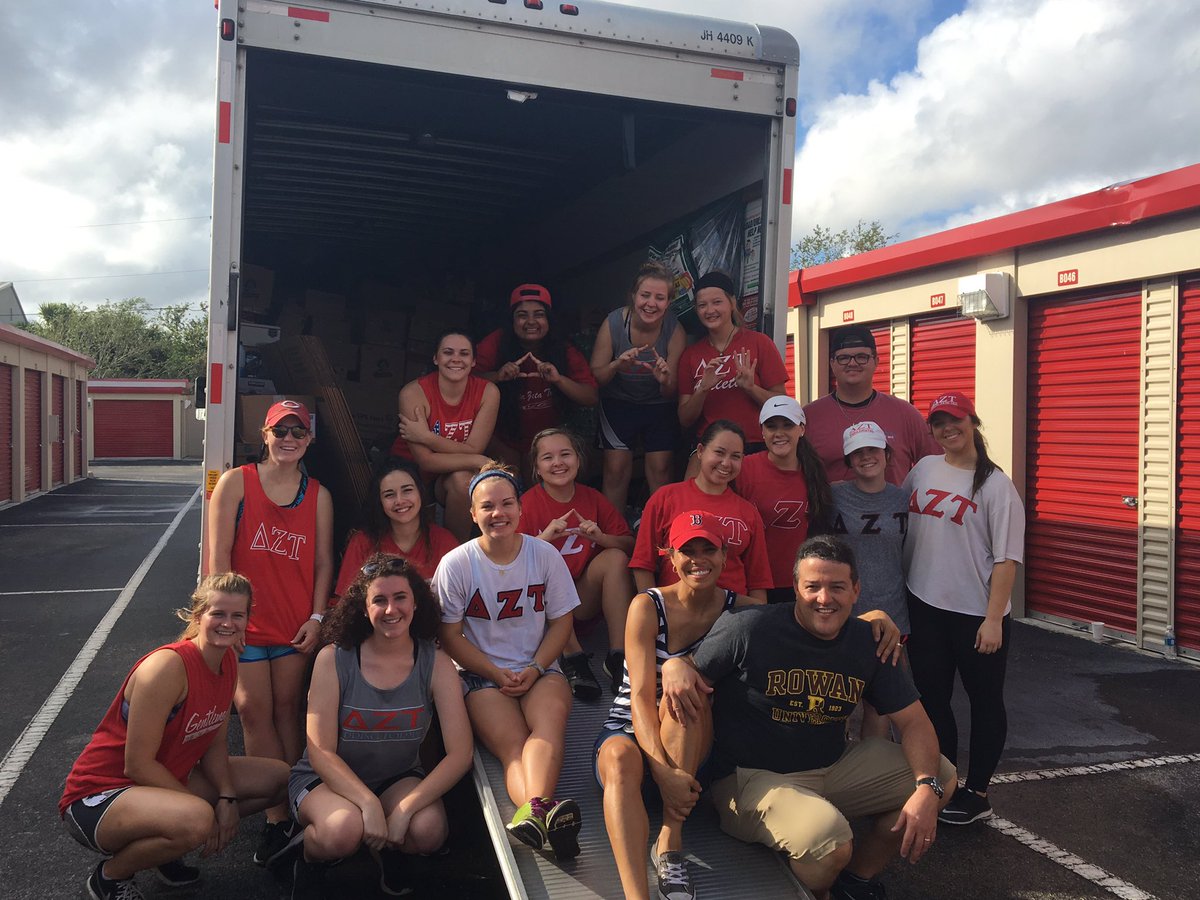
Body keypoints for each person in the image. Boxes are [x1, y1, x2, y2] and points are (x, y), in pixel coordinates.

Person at [660, 535, 955, 900]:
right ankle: (815, 879)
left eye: (837, 587)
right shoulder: (749, 627)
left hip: (832, 767)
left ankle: (857, 879)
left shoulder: (870, 640)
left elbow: (914, 723)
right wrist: (676, 666)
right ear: (796, 588)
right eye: (812, 587)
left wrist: (926, 788)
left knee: (941, 776)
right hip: (750, 778)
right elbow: (690, 679)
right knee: (828, 842)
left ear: (856, 590)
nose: (824, 598)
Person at [60, 574, 290, 900]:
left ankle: (164, 847)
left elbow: (214, 743)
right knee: (197, 820)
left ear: (247, 619)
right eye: (218, 614)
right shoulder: (167, 668)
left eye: (237, 615)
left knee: (279, 778)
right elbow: (137, 764)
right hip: (100, 795)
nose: (228, 623)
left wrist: (226, 798)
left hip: (159, 782)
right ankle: (111, 876)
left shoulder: (228, 660)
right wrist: (206, 813)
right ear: (198, 616)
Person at [596, 511, 763, 900]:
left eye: (709, 549)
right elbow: (637, 696)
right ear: (670, 557)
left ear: (725, 556)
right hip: (633, 731)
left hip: (693, 738)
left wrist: (870, 618)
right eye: (687, 550)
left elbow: (804, 618)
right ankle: (637, 895)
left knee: (686, 694)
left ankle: (670, 841)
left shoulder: (741, 611)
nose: (698, 559)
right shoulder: (646, 605)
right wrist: (662, 772)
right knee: (620, 758)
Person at [287, 555, 474, 898]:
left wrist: (403, 808)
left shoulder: (436, 663)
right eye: (379, 600)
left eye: (400, 597)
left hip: (396, 778)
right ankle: (309, 859)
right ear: (363, 607)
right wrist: (368, 805)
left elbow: (460, 753)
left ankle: (385, 850)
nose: (391, 609)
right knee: (342, 830)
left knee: (428, 831)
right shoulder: (334, 658)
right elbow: (320, 750)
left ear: (416, 602)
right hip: (327, 779)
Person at [431, 462, 584, 859]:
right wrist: (493, 671)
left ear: (520, 508)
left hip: (540, 667)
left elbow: (561, 621)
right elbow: (449, 635)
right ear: (472, 513)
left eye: (506, 504)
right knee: (512, 747)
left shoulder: (544, 555)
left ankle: (533, 815)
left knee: (548, 727)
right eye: (487, 506)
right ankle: (545, 813)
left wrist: (534, 668)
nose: (498, 513)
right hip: (482, 675)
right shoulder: (457, 563)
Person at [208, 398, 334, 865]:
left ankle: (299, 801)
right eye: (280, 431)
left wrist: (318, 618)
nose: (288, 439)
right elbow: (219, 558)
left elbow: (323, 562)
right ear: (264, 435)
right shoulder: (236, 483)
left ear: (309, 440)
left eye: (298, 432)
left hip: (294, 626)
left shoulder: (318, 494)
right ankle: (277, 818)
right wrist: (224, 621)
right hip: (246, 626)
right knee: (252, 712)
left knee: (289, 712)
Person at [903, 391, 1024, 826]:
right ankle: (947, 779)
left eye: (954, 420)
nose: (946, 429)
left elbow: (1007, 559)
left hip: (976, 615)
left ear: (972, 422)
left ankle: (978, 792)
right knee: (932, 699)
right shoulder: (923, 469)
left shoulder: (995, 485)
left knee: (984, 701)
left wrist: (994, 620)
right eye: (937, 423)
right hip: (924, 604)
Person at [520, 428, 635, 700]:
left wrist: (601, 537)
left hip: (582, 601)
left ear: (579, 460)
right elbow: (508, 564)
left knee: (616, 558)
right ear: (537, 468)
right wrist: (544, 539)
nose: (558, 463)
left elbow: (630, 545)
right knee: (542, 563)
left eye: (565, 454)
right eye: (547, 457)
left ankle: (618, 656)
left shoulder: (592, 497)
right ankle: (573, 658)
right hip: (540, 612)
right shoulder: (526, 504)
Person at [630, 420, 772, 602]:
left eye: (735, 456)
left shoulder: (748, 512)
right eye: (719, 453)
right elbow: (643, 564)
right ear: (700, 451)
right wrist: (656, 612)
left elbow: (758, 581)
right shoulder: (665, 498)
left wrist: (754, 621)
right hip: (677, 614)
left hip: (734, 617)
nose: (726, 463)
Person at [831, 421, 911, 739]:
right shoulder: (831, 496)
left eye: (873, 450)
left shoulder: (904, 499)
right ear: (849, 460)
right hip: (841, 615)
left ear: (886, 454)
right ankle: (833, 773)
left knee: (878, 705)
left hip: (893, 615)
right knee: (836, 702)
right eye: (858, 452)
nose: (867, 457)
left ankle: (869, 780)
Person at [589, 261, 686, 513]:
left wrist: (664, 380)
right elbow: (598, 376)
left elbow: (672, 390)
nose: (651, 303)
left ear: (668, 302)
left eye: (659, 297)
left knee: (661, 468)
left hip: (659, 405)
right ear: (633, 296)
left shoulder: (675, 330)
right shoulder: (613, 323)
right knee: (616, 469)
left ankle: (662, 535)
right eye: (645, 295)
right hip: (618, 403)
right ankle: (614, 537)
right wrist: (616, 366)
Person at [475, 283, 599, 474]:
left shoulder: (563, 349)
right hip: (501, 438)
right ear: (512, 320)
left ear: (549, 320)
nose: (531, 321)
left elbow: (590, 396)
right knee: (510, 475)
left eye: (539, 314)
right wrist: (498, 376)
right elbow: (466, 383)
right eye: (522, 315)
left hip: (546, 440)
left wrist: (558, 379)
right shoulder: (497, 342)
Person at [392, 330, 500, 541]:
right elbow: (426, 460)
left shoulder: (488, 391)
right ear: (436, 358)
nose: (456, 359)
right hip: (411, 470)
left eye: (464, 353)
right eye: (448, 352)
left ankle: (453, 552)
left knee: (463, 481)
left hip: (453, 472)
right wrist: (478, 460)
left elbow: (475, 447)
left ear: (474, 361)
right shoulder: (413, 393)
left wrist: (427, 437)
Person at [803, 325, 940, 485]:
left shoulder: (905, 414)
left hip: (894, 509)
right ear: (832, 363)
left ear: (876, 361)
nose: (852, 363)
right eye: (843, 358)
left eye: (862, 357)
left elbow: (936, 469)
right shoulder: (809, 417)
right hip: (829, 510)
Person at [676, 271, 788, 456]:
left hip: (756, 445)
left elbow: (781, 405)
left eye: (717, 302)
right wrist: (702, 389)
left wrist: (751, 388)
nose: (710, 310)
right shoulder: (690, 355)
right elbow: (685, 419)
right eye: (702, 305)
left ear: (732, 303)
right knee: (691, 484)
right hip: (709, 446)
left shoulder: (759, 342)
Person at [734, 395, 833, 604]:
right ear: (762, 432)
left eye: (788, 425)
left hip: (797, 582)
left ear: (802, 429)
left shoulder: (814, 474)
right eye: (771, 426)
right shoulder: (744, 468)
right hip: (750, 581)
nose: (779, 433)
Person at [333, 458, 459, 599]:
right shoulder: (362, 542)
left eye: (407, 490)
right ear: (379, 501)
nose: (399, 501)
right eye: (389, 495)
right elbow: (345, 603)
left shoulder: (444, 541)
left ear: (421, 493)